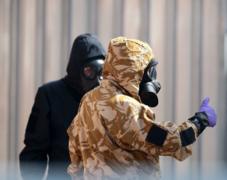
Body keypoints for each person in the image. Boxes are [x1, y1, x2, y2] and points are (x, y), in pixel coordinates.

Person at [67, 37, 217, 179]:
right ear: (134, 70)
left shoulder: (88, 99)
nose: (151, 78)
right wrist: (200, 120)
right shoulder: (123, 105)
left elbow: (75, 153)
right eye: (148, 71)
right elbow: (169, 140)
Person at [19, 33, 106, 180]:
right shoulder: (50, 95)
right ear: (76, 69)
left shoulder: (109, 99)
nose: (98, 80)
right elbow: (34, 153)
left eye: (101, 72)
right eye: (89, 71)